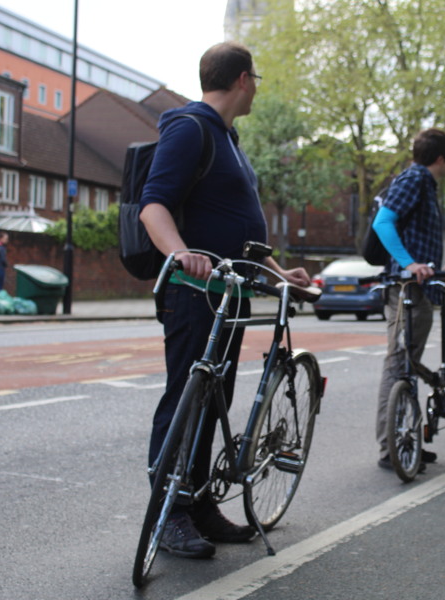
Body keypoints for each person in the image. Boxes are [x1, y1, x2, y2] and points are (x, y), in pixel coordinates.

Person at [139, 41, 310, 560]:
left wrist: (282, 274)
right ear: (242, 79)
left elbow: (243, 235)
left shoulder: (228, 139)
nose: (257, 86)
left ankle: (199, 505)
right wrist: (182, 254)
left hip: (228, 293)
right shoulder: (189, 127)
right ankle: (167, 515)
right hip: (194, 293)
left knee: (214, 402)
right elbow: (154, 207)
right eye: (255, 78)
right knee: (185, 402)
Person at [371, 128, 445, 471]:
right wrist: (409, 263)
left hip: (418, 289)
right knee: (399, 363)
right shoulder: (415, 179)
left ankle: (408, 439)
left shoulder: (423, 184)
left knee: (407, 365)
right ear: (441, 158)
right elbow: (383, 222)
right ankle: (391, 447)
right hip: (406, 289)